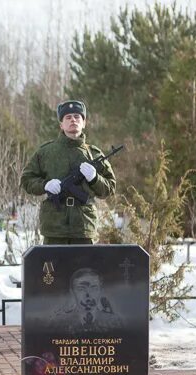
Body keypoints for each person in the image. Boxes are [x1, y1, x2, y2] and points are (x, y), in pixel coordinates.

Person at [20, 100, 116, 244]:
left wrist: (95, 178)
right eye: (68, 117)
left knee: (84, 267)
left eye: (77, 117)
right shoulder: (46, 152)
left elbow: (110, 188)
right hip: (54, 227)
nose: (73, 120)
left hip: (83, 227)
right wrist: (45, 185)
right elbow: (26, 180)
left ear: (84, 123)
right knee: (53, 267)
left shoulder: (94, 155)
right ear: (61, 124)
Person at [51, 268, 123, 334]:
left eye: (93, 288)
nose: (88, 295)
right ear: (72, 293)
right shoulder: (60, 323)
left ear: (101, 291)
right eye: (81, 289)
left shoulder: (114, 322)